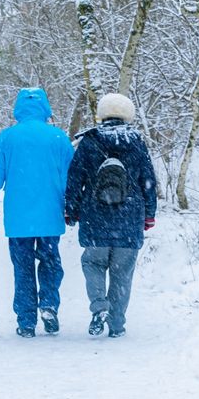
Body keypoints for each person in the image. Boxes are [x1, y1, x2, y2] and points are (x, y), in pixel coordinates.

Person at [0, 87, 74, 338]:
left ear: (19, 108)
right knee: (50, 263)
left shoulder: (7, 138)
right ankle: (49, 304)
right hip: (50, 215)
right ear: (45, 107)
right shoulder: (58, 138)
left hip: (19, 218)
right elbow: (71, 178)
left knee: (22, 268)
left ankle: (26, 321)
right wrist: (72, 206)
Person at [64, 93, 156, 338]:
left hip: (95, 218)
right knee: (122, 273)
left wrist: (71, 210)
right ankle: (116, 325)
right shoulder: (136, 142)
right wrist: (149, 214)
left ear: (102, 114)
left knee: (92, 264)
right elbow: (148, 181)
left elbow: (74, 179)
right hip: (129, 219)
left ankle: (99, 307)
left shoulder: (89, 141)